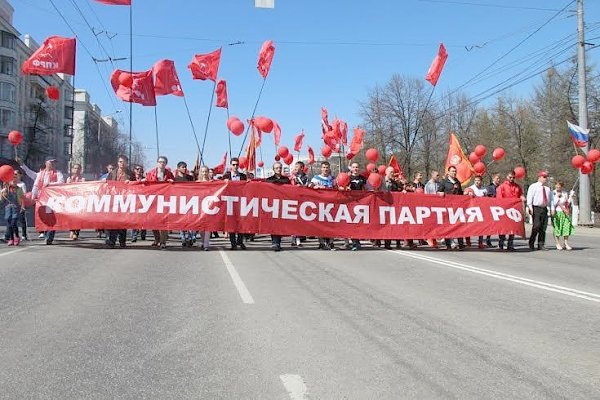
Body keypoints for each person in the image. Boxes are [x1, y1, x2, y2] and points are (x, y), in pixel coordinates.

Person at [32, 156, 65, 245]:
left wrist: (50, 184)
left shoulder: (57, 173)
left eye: (54, 162)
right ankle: (45, 233)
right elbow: (36, 185)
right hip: (42, 198)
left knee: (51, 217)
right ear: (46, 163)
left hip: (52, 199)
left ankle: (49, 237)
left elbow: (61, 182)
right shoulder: (41, 174)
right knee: (44, 217)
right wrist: (33, 196)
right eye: (51, 162)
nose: (53, 164)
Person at [145, 156, 175, 250]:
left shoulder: (169, 173)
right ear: (157, 163)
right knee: (153, 221)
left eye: (164, 162)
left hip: (165, 200)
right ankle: (157, 239)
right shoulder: (150, 173)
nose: (162, 163)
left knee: (164, 221)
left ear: (166, 164)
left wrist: (172, 182)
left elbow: (175, 186)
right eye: (160, 162)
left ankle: (163, 241)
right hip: (153, 200)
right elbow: (146, 185)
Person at [106, 155, 134, 248]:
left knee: (122, 221)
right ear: (118, 163)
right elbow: (107, 185)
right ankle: (112, 241)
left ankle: (122, 241)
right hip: (114, 199)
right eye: (120, 162)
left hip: (125, 199)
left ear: (127, 163)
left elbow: (135, 186)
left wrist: (129, 183)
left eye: (124, 162)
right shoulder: (112, 173)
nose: (122, 164)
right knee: (113, 221)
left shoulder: (130, 174)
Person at [310, 161, 337, 250]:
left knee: (331, 223)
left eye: (327, 167)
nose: (325, 169)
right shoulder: (316, 178)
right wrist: (314, 187)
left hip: (331, 204)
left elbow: (337, 189)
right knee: (320, 223)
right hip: (320, 204)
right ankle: (321, 242)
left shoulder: (333, 179)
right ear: (321, 168)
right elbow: (309, 186)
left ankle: (331, 242)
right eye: (324, 167)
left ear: (329, 168)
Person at [221, 157, 247, 250]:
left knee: (241, 223)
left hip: (241, 203)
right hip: (230, 202)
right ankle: (233, 243)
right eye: (233, 165)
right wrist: (224, 182)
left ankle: (240, 241)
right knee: (231, 223)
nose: (235, 166)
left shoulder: (243, 176)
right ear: (230, 165)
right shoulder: (225, 176)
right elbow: (220, 187)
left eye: (237, 164)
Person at [496, 171, 525, 251]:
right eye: (510, 177)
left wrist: (522, 197)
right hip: (504, 210)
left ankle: (510, 244)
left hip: (514, 210)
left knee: (513, 227)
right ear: (507, 177)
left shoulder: (517, 187)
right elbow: (499, 199)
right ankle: (501, 244)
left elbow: (520, 195)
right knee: (503, 228)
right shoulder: (502, 186)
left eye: (513, 177)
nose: (511, 179)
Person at [266, 162, 291, 251]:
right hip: (272, 205)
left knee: (280, 224)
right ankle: (274, 242)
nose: (278, 169)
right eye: (276, 168)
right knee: (273, 224)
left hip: (283, 205)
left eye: (280, 168)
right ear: (273, 169)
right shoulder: (269, 179)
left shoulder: (286, 180)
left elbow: (289, 189)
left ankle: (277, 242)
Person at [438, 165, 465, 250]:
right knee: (448, 226)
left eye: (455, 171)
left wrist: (468, 192)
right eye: (452, 171)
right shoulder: (444, 182)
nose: (454, 173)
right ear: (448, 172)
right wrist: (440, 193)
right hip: (448, 207)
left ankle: (461, 244)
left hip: (457, 207)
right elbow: (439, 191)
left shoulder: (458, 182)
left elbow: (461, 194)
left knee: (459, 225)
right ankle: (448, 244)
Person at [526, 171, 554, 251]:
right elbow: (530, 197)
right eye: (544, 177)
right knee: (536, 226)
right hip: (536, 208)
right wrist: (530, 207)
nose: (545, 179)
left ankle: (541, 244)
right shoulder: (533, 186)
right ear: (539, 177)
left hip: (544, 208)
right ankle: (531, 242)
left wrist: (552, 208)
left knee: (543, 227)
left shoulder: (547, 189)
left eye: (546, 177)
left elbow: (551, 199)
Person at [174, 161, 194, 247]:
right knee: (181, 221)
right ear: (178, 168)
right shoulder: (175, 179)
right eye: (183, 167)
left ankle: (190, 237)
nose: (185, 168)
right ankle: (183, 238)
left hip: (189, 201)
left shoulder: (190, 178)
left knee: (190, 221)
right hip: (179, 202)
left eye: (185, 167)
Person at [290, 161, 309, 247]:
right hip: (293, 200)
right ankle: (295, 239)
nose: (296, 168)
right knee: (293, 221)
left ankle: (299, 238)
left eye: (297, 166)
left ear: (302, 168)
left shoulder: (306, 177)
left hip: (302, 200)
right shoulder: (292, 177)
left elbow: (306, 186)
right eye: (295, 166)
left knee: (300, 221)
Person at [552, 181, 574, 250]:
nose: (558, 187)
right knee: (557, 228)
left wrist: (571, 196)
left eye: (559, 186)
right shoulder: (553, 193)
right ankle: (557, 243)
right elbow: (554, 203)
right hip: (557, 212)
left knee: (566, 227)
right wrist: (557, 198)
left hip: (565, 213)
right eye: (557, 186)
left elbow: (567, 202)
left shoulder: (564, 193)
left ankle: (566, 243)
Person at [1, 178, 24, 246]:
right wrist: (2, 193)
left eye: (15, 181)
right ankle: (11, 239)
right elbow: (2, 200)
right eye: (13, 181)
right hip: (8, 208)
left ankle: (16, 237)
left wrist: (22, 206)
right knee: (9, 223)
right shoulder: (6, 189)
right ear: (9, 182)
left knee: (13, 223)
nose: (14, 182)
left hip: (16, 207)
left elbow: (22, 198)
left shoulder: (19, 189)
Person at [467, 175, 488, 249]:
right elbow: (465, 192)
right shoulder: (471, 188)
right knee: (470, 226)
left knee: (481, 227)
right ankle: (468, 240)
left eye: (478, 180)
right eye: (476, 180)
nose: (477, 182)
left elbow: (487, 199)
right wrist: (468, 193)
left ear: (481, 181)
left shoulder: (484, 189)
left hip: (481, 210)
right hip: (472, 210)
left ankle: (480, 242)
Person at [66, 163, 85, 240]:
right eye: (75, 168)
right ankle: (71, 230)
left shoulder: (82, 179)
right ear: (72, 169)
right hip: (71, 199)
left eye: (78, 168)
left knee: (78, 217)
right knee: (71, 216)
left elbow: (83, 188)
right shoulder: (69, 179)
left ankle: (76, 232)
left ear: (80, 170)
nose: (76, 170)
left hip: (79, 199)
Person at [196, 165, 212, 251]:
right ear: (200, 173)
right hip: (199, 206)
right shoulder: (197, 182)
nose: (204, 173)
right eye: (203, 171)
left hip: (209, 206)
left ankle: (206, 244)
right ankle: (203, 241)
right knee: (201, 227)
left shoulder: (212, 182)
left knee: (208, 226)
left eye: (206, 171)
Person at [131, 164, 147, 242]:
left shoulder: (145, 179)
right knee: (134, 219)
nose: (139, 171)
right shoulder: (131, 179)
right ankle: (134, 236)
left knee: (143, 219)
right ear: (134, 170)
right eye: (137, 169)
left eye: (140, 169)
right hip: (133, 201)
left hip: (143, 201)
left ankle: (143, 233)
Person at [484, 173, 501, 247]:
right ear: (493, 179)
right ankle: (488, 239)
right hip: (491, 208)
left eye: (499, 179)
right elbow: (488, 196)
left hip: (499, 208)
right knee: (491, 225)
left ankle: (501, 241)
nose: (498, 180)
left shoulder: (500, 187)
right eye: (497, 178)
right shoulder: (489, 187)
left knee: (500, 225)